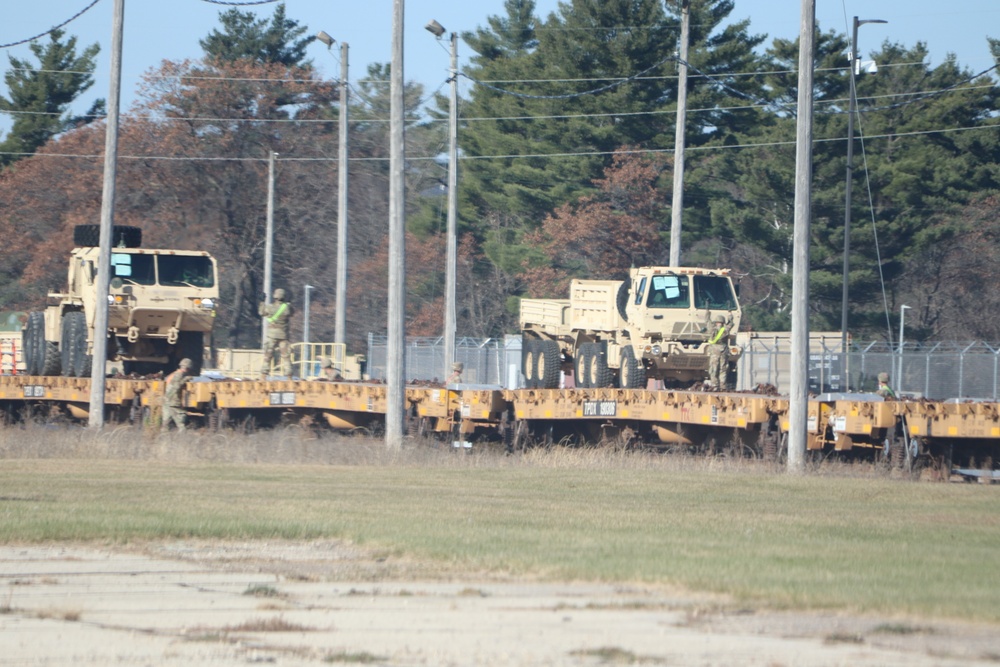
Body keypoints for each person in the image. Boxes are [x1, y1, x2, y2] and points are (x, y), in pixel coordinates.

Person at [259, 287, 293, 377]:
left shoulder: (270, 307)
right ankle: (289, 375)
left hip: (272, 335)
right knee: (286, 356)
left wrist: (262, 302)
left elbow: (261, 312)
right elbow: (292, 312)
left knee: (268, 355)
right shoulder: (287, 308)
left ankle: (264, 374)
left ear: (275, 296)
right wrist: (288, 303)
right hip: (283, 335)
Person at [162, 358, 191, 433]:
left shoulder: (174, 373)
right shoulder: (179, 375)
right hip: (172, 401)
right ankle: (181, 439)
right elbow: (176, 387)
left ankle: (163, 439)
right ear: (187, 368)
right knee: (181, 422)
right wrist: (185, 379)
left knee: (165, 423)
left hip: (167, 400)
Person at [705, 314, 730, 391]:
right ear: (723, 323)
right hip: (724, 351)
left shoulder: (712, 329)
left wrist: (707, 313)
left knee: (713, 369)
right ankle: (723, 386)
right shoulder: (726, 329)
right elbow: (731, 324)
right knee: (723, 369)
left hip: (714, 351)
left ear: (716, 322)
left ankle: (715, 386)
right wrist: (730, 317)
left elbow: (707, 321)